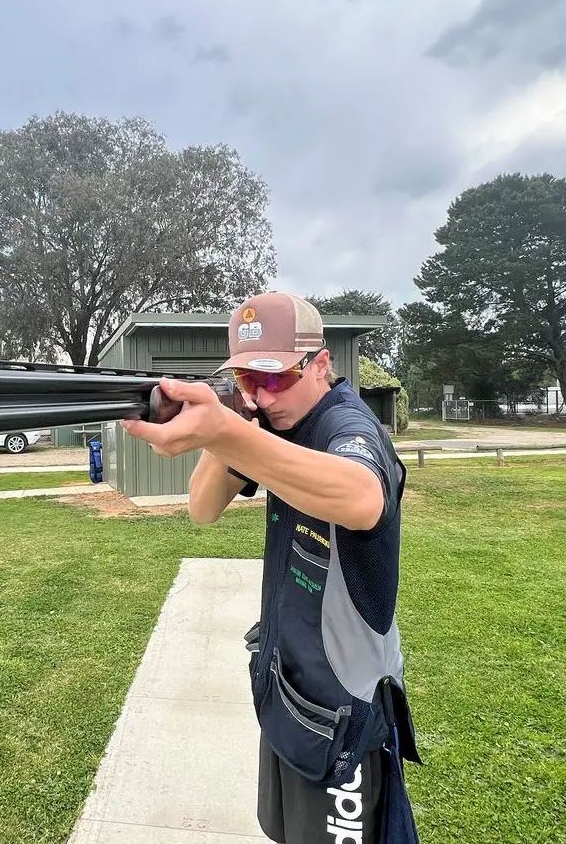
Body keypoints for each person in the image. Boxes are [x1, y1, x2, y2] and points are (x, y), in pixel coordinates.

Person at [122, 291, 420, 844]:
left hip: (343, 714)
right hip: (290, 697)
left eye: (276, 377)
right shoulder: (271, 428)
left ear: (322, 364)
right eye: (245, 380)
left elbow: (362, 497)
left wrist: (231, 431)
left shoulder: (348, 426)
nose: (260, 393)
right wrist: (228, 431)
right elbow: (202, 509)